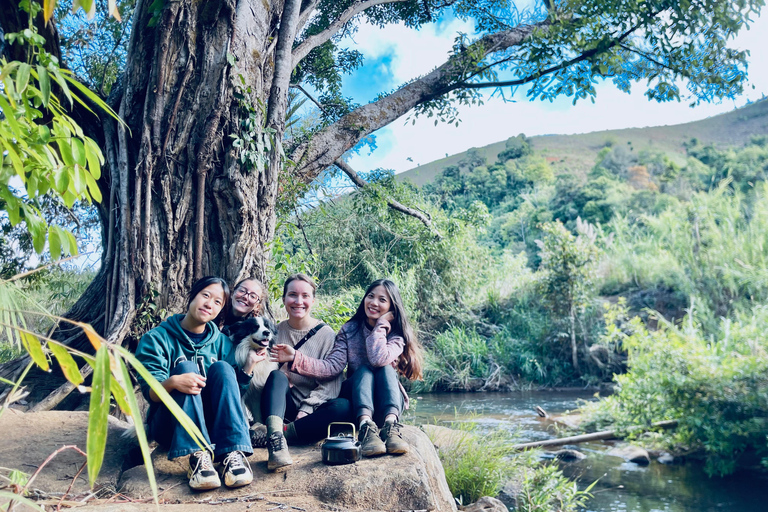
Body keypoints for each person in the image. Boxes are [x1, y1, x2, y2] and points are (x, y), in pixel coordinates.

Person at [271, 278, 423, 458]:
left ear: (392, 307)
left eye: (382, 300)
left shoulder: (396, 335)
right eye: (370, 296)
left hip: (385, 404)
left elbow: (378, 358)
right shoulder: (350, 330)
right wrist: (296, 357)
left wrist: (381, 325)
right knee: (363, 372)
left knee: (384, 369)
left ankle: (390, 427)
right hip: (358, 402)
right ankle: (366, 428)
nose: (374, 303)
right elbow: (332, 367)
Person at [135, 276, 258, 491]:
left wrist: (248, 367)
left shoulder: (222, 342)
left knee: (223, 368)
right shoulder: (156, 338)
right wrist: (172, 382)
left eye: (218, 302)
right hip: (170, 425)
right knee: (186, 369)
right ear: (192, 296)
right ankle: (198, 458)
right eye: (206, 295)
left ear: (220, 310)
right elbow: (150, 393)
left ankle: (231, 454)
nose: (209, 304)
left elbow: (232, 394)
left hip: (212, 427)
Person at [259, 273, 351, 471]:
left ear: (313, 300)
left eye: (305, 296)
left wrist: (307, 408)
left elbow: (331, 382)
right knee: (277, 376)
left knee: (342, 406)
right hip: (283, 407)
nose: (298, 301)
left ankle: (284, 434)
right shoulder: (275, 331)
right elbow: (267, 375)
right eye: (292, 295)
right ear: (284, 299)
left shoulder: (326, 334)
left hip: (314, 411)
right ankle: (276, 437)